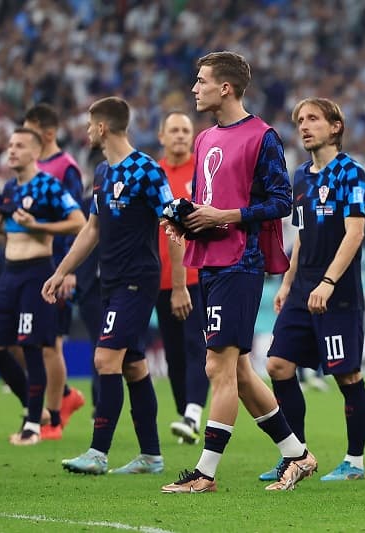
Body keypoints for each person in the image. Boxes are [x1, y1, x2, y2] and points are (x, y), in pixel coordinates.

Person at [161, 51, 315, 494]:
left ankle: (205, 473)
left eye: (201, 80)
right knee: (241, 371)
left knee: (218, 366)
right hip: (208, 260)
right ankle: (297, 455)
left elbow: (282, 201)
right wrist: (185, 218)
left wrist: (222, 215)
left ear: (225, 87)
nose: (195, 87)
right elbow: (206, 197)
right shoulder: (205, 138)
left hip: (240, 262)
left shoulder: (262, 136)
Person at [43, 96, 173, 474]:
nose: (85, 131)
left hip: (137, 279)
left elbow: (169, 215)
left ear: (102, 127)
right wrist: (61, 271)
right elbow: (92, 229)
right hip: (110, 280)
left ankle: (98, 453)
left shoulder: (147, 170)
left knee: (105, 359)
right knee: (132, 365)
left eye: (88, 124)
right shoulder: (102, 173)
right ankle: (151, 455)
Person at [263, 97, 365, 482]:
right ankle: (297, 454)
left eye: (313, 119)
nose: (304, 126)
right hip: (302, 289)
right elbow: (303, 237)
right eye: (300, 121)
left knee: (347, 377)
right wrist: (287, 282)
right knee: (277, 365)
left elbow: (355, 233)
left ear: (335, 126)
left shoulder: (350, 173)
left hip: (336, 293)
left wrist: (328, 282)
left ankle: (354, 462)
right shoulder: (301, 177)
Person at [0, 127, 85, 445]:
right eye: (10, 145)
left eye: (19, 146)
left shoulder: (48, 185)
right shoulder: (9, 189)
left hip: (36, 272)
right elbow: (15, 232)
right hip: (9, 272)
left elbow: (79, 222)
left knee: (32, 347)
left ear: (35, 152)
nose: (11, 151)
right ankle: (35, 411)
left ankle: (32, 426)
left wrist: (39, 225)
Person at [23, 103, 87, 432]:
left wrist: (69, 269)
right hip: (30, 266)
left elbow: (79, 222)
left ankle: (54, 417)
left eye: (29, 131)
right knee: (26, 342)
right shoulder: (32, 168)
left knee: (53, 343)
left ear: (47, 133)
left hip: (58, 266)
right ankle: (62, 397)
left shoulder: (66, 168)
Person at [154, 111, 210, 444]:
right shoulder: (153, 174)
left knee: (195, 346)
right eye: (173, 130)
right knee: (173, 353)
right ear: (161, 136)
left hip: (196, 275)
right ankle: (184, 415)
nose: (179, 135)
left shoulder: (202, 172)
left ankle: (192, 413)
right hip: (159, 278)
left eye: (185, 130)